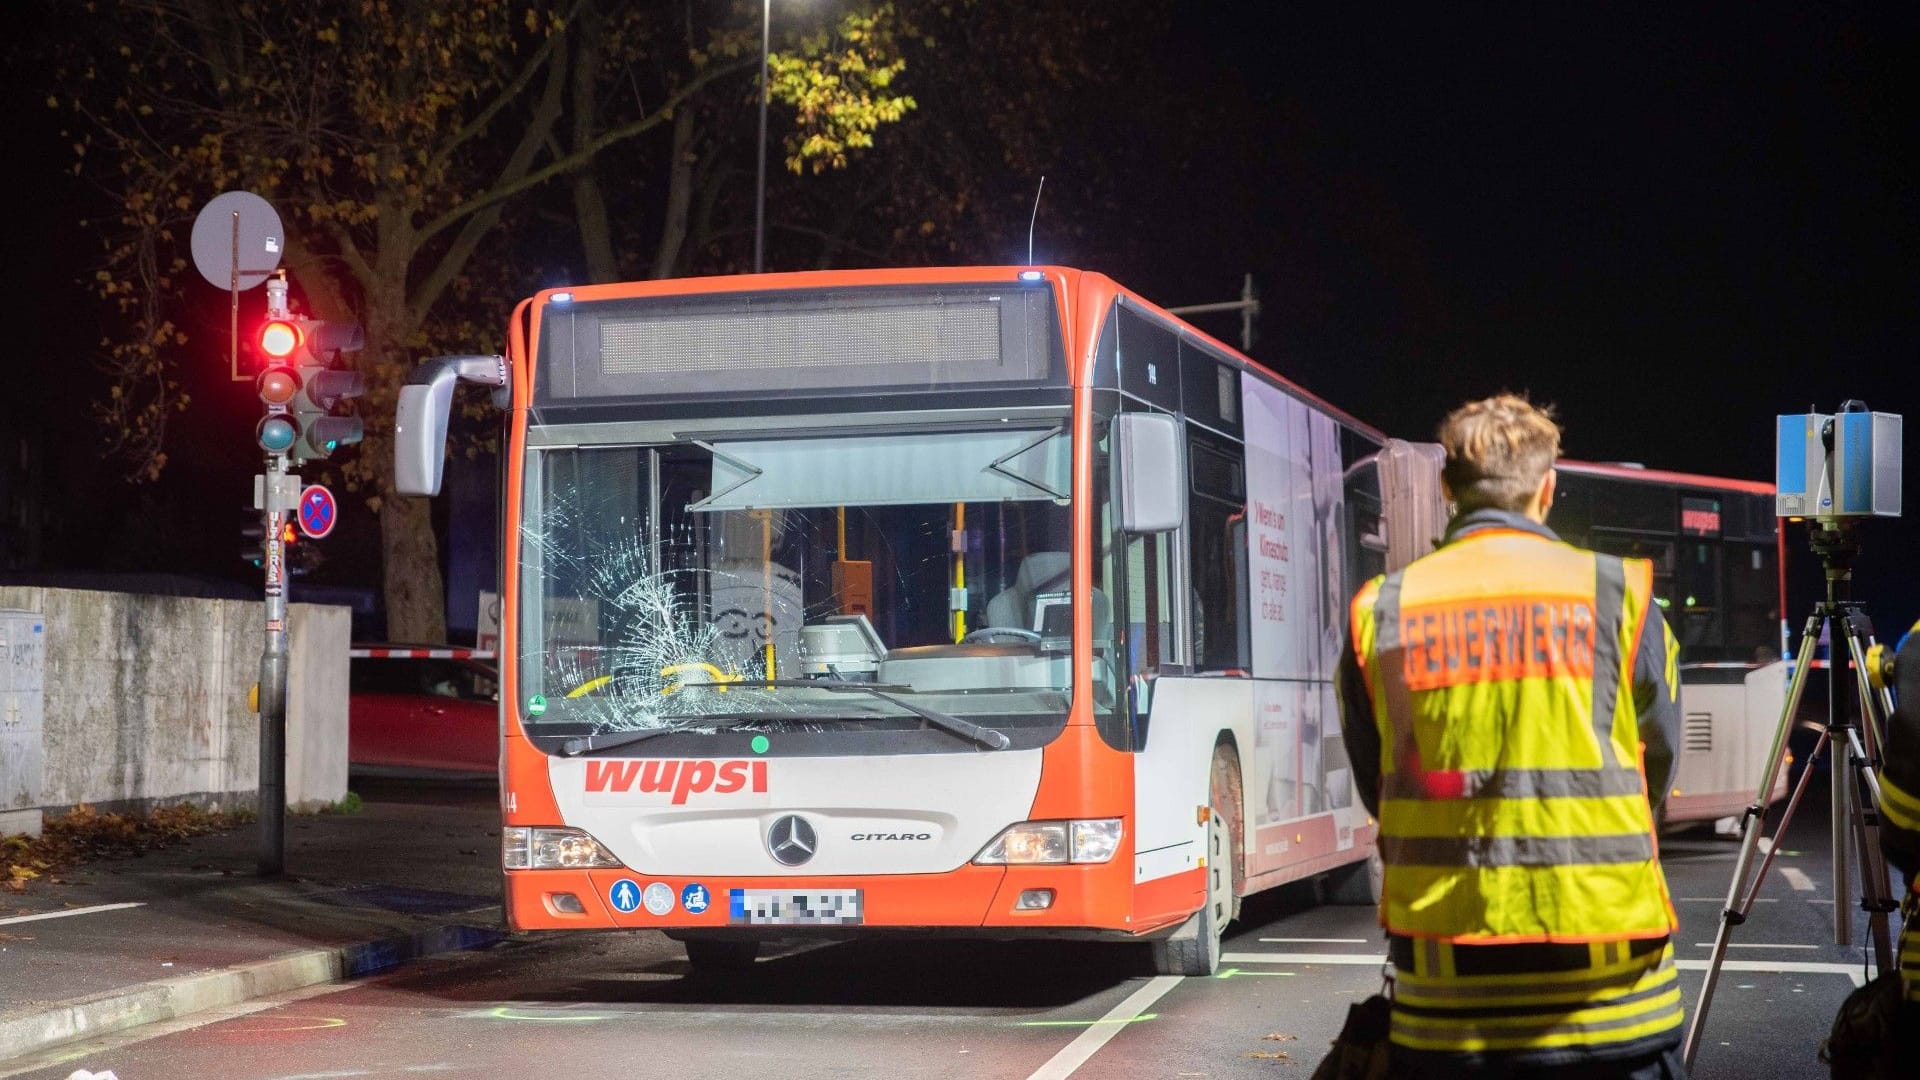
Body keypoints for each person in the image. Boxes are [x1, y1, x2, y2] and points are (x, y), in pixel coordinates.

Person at [1336, 394, 1686, 1079]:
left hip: (1447, 1007)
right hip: (1614, 1000)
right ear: (1548, 487)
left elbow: (1379, 782)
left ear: (1447, 489)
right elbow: (1659, 766)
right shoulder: (1615, 594)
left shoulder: (1384, 611)